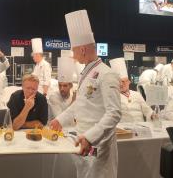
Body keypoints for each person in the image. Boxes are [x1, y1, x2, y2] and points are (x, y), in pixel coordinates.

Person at [50, 10, 121, 178]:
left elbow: (114, 113)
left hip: (99, 144)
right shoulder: (86, 73)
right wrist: (59, 119)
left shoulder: (107, 74)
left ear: (82, 50)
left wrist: (90, 137)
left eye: (73, 51)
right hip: (82, 141)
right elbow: (80, 105)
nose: (73, 57)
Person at [110, 57, 154, 122]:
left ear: (129, 82)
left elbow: (147, 110)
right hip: (123, 128)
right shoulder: (113, 96)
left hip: (140, 126)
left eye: (124, 81)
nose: (122, 84)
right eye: (119, 82)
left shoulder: (137, 94)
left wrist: (152, 115)